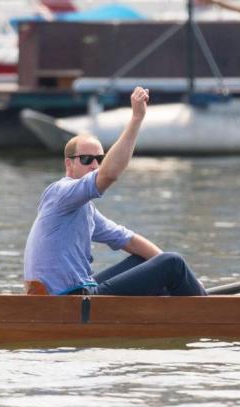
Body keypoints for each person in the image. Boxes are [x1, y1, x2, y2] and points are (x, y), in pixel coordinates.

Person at [23, 86, 206, 297]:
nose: (93, 165)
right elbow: (108, 175)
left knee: (148, 259)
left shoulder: (84, 208)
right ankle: (209, 314)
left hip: (74, 294)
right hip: (68, 299)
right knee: (173, 263)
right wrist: (136, 119)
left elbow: (129, 240)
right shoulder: (60, 192)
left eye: (99, 159)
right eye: (86, 159)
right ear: (68, 165)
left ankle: (184, 301)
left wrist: (187, 279)